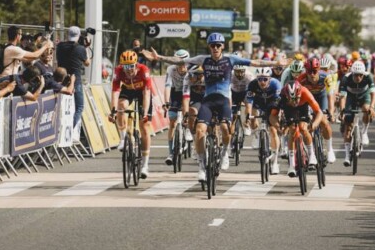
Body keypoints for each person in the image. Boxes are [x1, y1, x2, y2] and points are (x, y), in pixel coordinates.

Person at [142, 32, 286, 182]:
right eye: (212, 45)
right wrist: (159, 57)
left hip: (223, 100)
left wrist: (276, 63)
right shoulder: (203, 59)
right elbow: (180, 61)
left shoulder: (230, 59)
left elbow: (255, 62)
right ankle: (201, 167)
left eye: (218, 45)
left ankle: (224, 154)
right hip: (208, 101)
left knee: (225, 128)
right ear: (209, 47)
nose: (215, 48)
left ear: (222, 46)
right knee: (199, 130)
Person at [109, 50, 153, 179]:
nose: (128, 70)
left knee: (144, 127)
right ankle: (123, 139)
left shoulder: (144, 70)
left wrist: (145, 113)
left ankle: (145, 165)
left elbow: (147, 93)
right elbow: (115, 91)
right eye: (125, 66)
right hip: (128, 90)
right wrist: (113, 111)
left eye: (131, 66)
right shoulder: (118, 71)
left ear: (136, 64)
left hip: (142, 93)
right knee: (121, 106)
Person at [275, 81, 323, 177]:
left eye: (297, 98)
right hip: (288, 109)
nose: (295, 101)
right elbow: (273, 114)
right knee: (292, 130)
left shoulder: (305, 92)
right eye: (292, 99)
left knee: (303, 128)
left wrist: (314, 124)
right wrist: (278, 126)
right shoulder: (282, 96)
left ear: (300, 94)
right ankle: (291, 165)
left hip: (303, 107)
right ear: (287, 96)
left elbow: (319, 112)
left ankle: (312, 155)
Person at [339, 60, 375, 166]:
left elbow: (373, 94)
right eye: (356, 75)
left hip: (364, 96)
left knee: (366, 109)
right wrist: (342, 110)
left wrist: (372, 107)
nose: (358, 77)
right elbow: (342, 97)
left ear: (363, 74)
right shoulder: (346, 78)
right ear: (352, 73)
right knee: (348, 127)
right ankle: (347, 155)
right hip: (350, 98)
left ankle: (364, 132)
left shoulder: (368, 77)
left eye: (360, 75)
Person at [245, 67, 282, 174]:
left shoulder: (276, 84)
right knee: (252, 116)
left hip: (272, 103)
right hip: (259, 102)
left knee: (273, 130)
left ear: (269, 79)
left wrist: (278, 115)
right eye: (260, 79)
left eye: (265, 79)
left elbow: (279, 102)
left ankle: (275, 162)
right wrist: (248, 115)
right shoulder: (252, 84)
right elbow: (249, 102)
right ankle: (256, 135)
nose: (262, 82)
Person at [56, 26, 90, 128]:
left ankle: (60, 129)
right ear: (79, 36)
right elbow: (87, 63)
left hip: (61, 79)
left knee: (61, 108)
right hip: (75, 80)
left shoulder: (60, 46)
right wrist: (86, 48)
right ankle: (71, 129)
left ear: (68, 34)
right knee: (79, 107)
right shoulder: (80, 48)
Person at [163, 49, 190, 166]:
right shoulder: (171, 69)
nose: (181, 66)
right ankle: (170, 153)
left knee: (187, 112)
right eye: (178, 63)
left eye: (183, 63)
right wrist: (166, 102)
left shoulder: (191, 69)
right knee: (172, 123)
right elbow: (167, 86)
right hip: (175, 92)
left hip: (188, 93)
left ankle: (187, 130)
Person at [231, 64, 254, 136]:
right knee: (233, 115)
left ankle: (247, 124)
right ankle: (232, 126)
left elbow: (254, 88)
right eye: (237, 72)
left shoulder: (249, 76)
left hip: (245, 92)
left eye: (241, 72)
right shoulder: (230, 75)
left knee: (249, 105)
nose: (239, 74)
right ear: (234, 71)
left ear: (245, 71)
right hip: (234, 93)